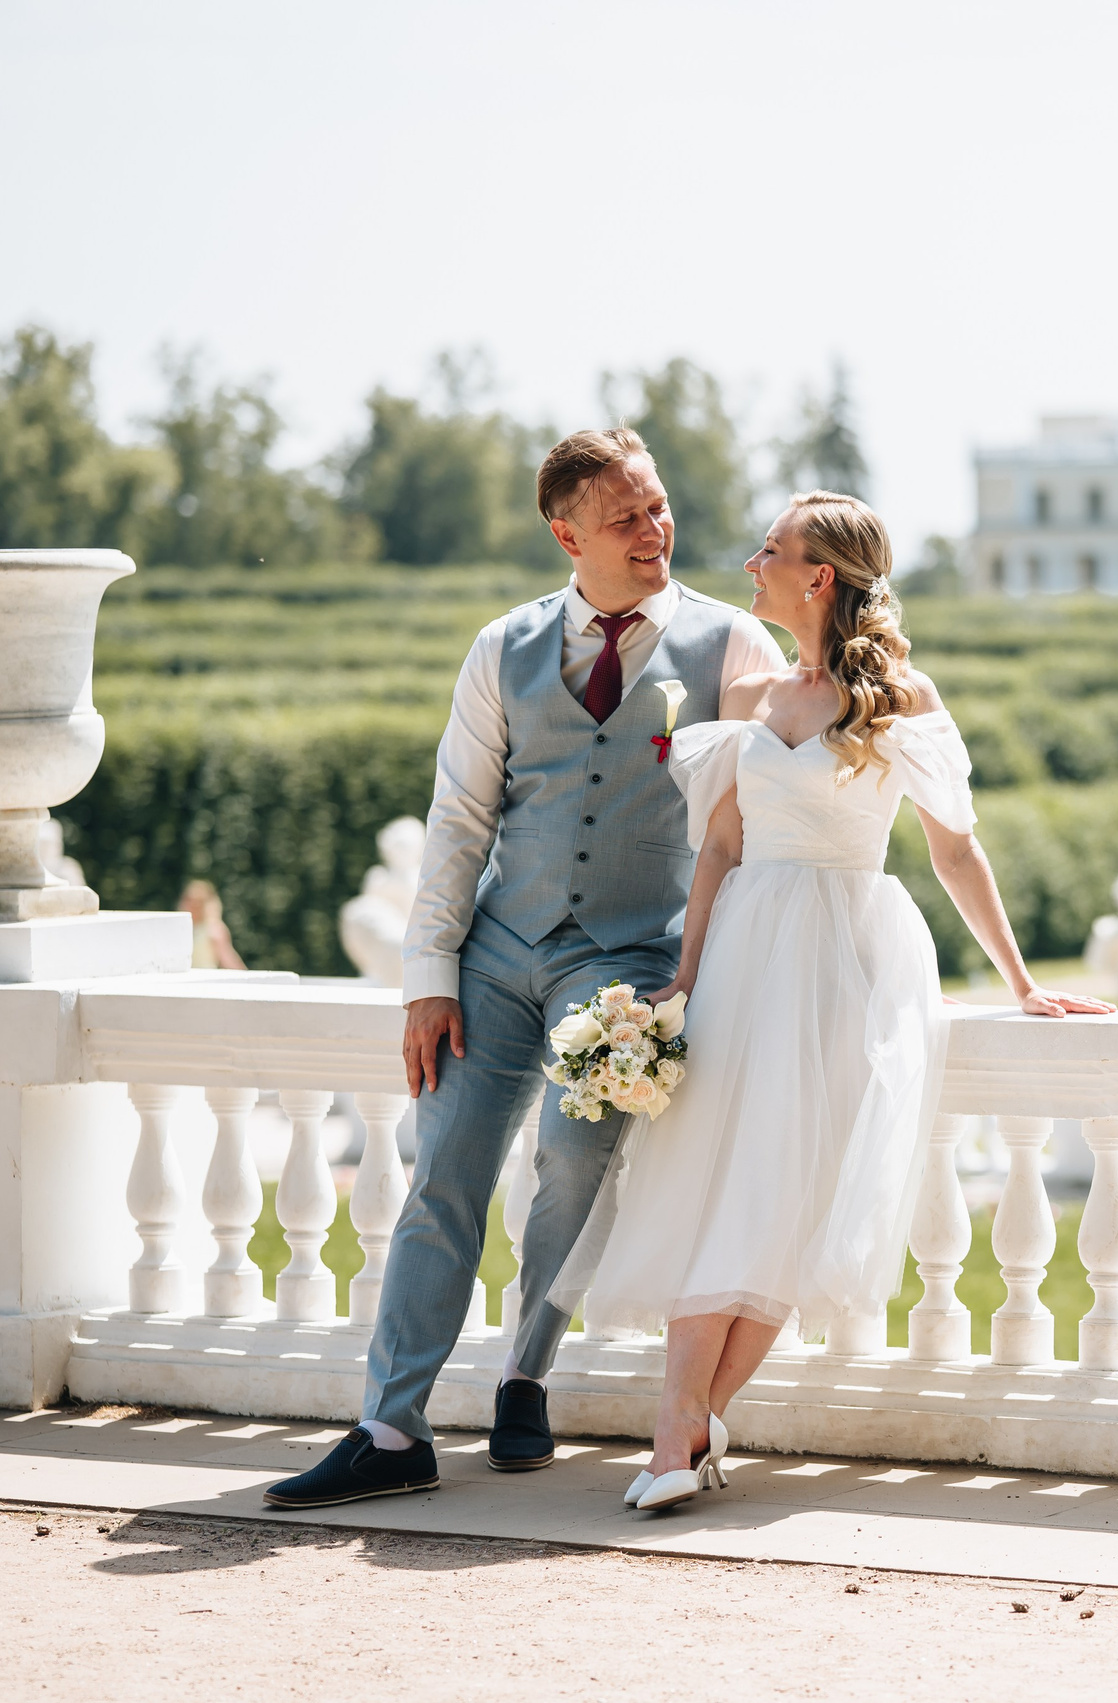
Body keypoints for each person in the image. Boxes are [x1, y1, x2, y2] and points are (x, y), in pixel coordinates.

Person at [556, 490, 1110, 1513]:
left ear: (819, 575)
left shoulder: (901, 696)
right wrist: (685, 975)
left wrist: (1022, 982)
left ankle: (687, 1426)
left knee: (787, 1193)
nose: (750, 560)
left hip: (848, 960)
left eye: (771, 549)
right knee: (706, 1180)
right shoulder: (754, 694)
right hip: (743, 958)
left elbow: (954, 847)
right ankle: (684, 1427)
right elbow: (719, 845)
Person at [266, 428, 786, 1508]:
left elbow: (754, 828)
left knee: (570, 1163)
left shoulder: (730, 645)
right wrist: (429, 972)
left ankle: (523, 1373)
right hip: (500, 952)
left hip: (629, 966)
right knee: (439, 1173)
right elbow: (459, 816)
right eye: (626, 517)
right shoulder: (501, 646)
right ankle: (389, 1428)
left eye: (658, 506)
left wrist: (700, 974)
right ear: (568, 533)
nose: (655, 530)